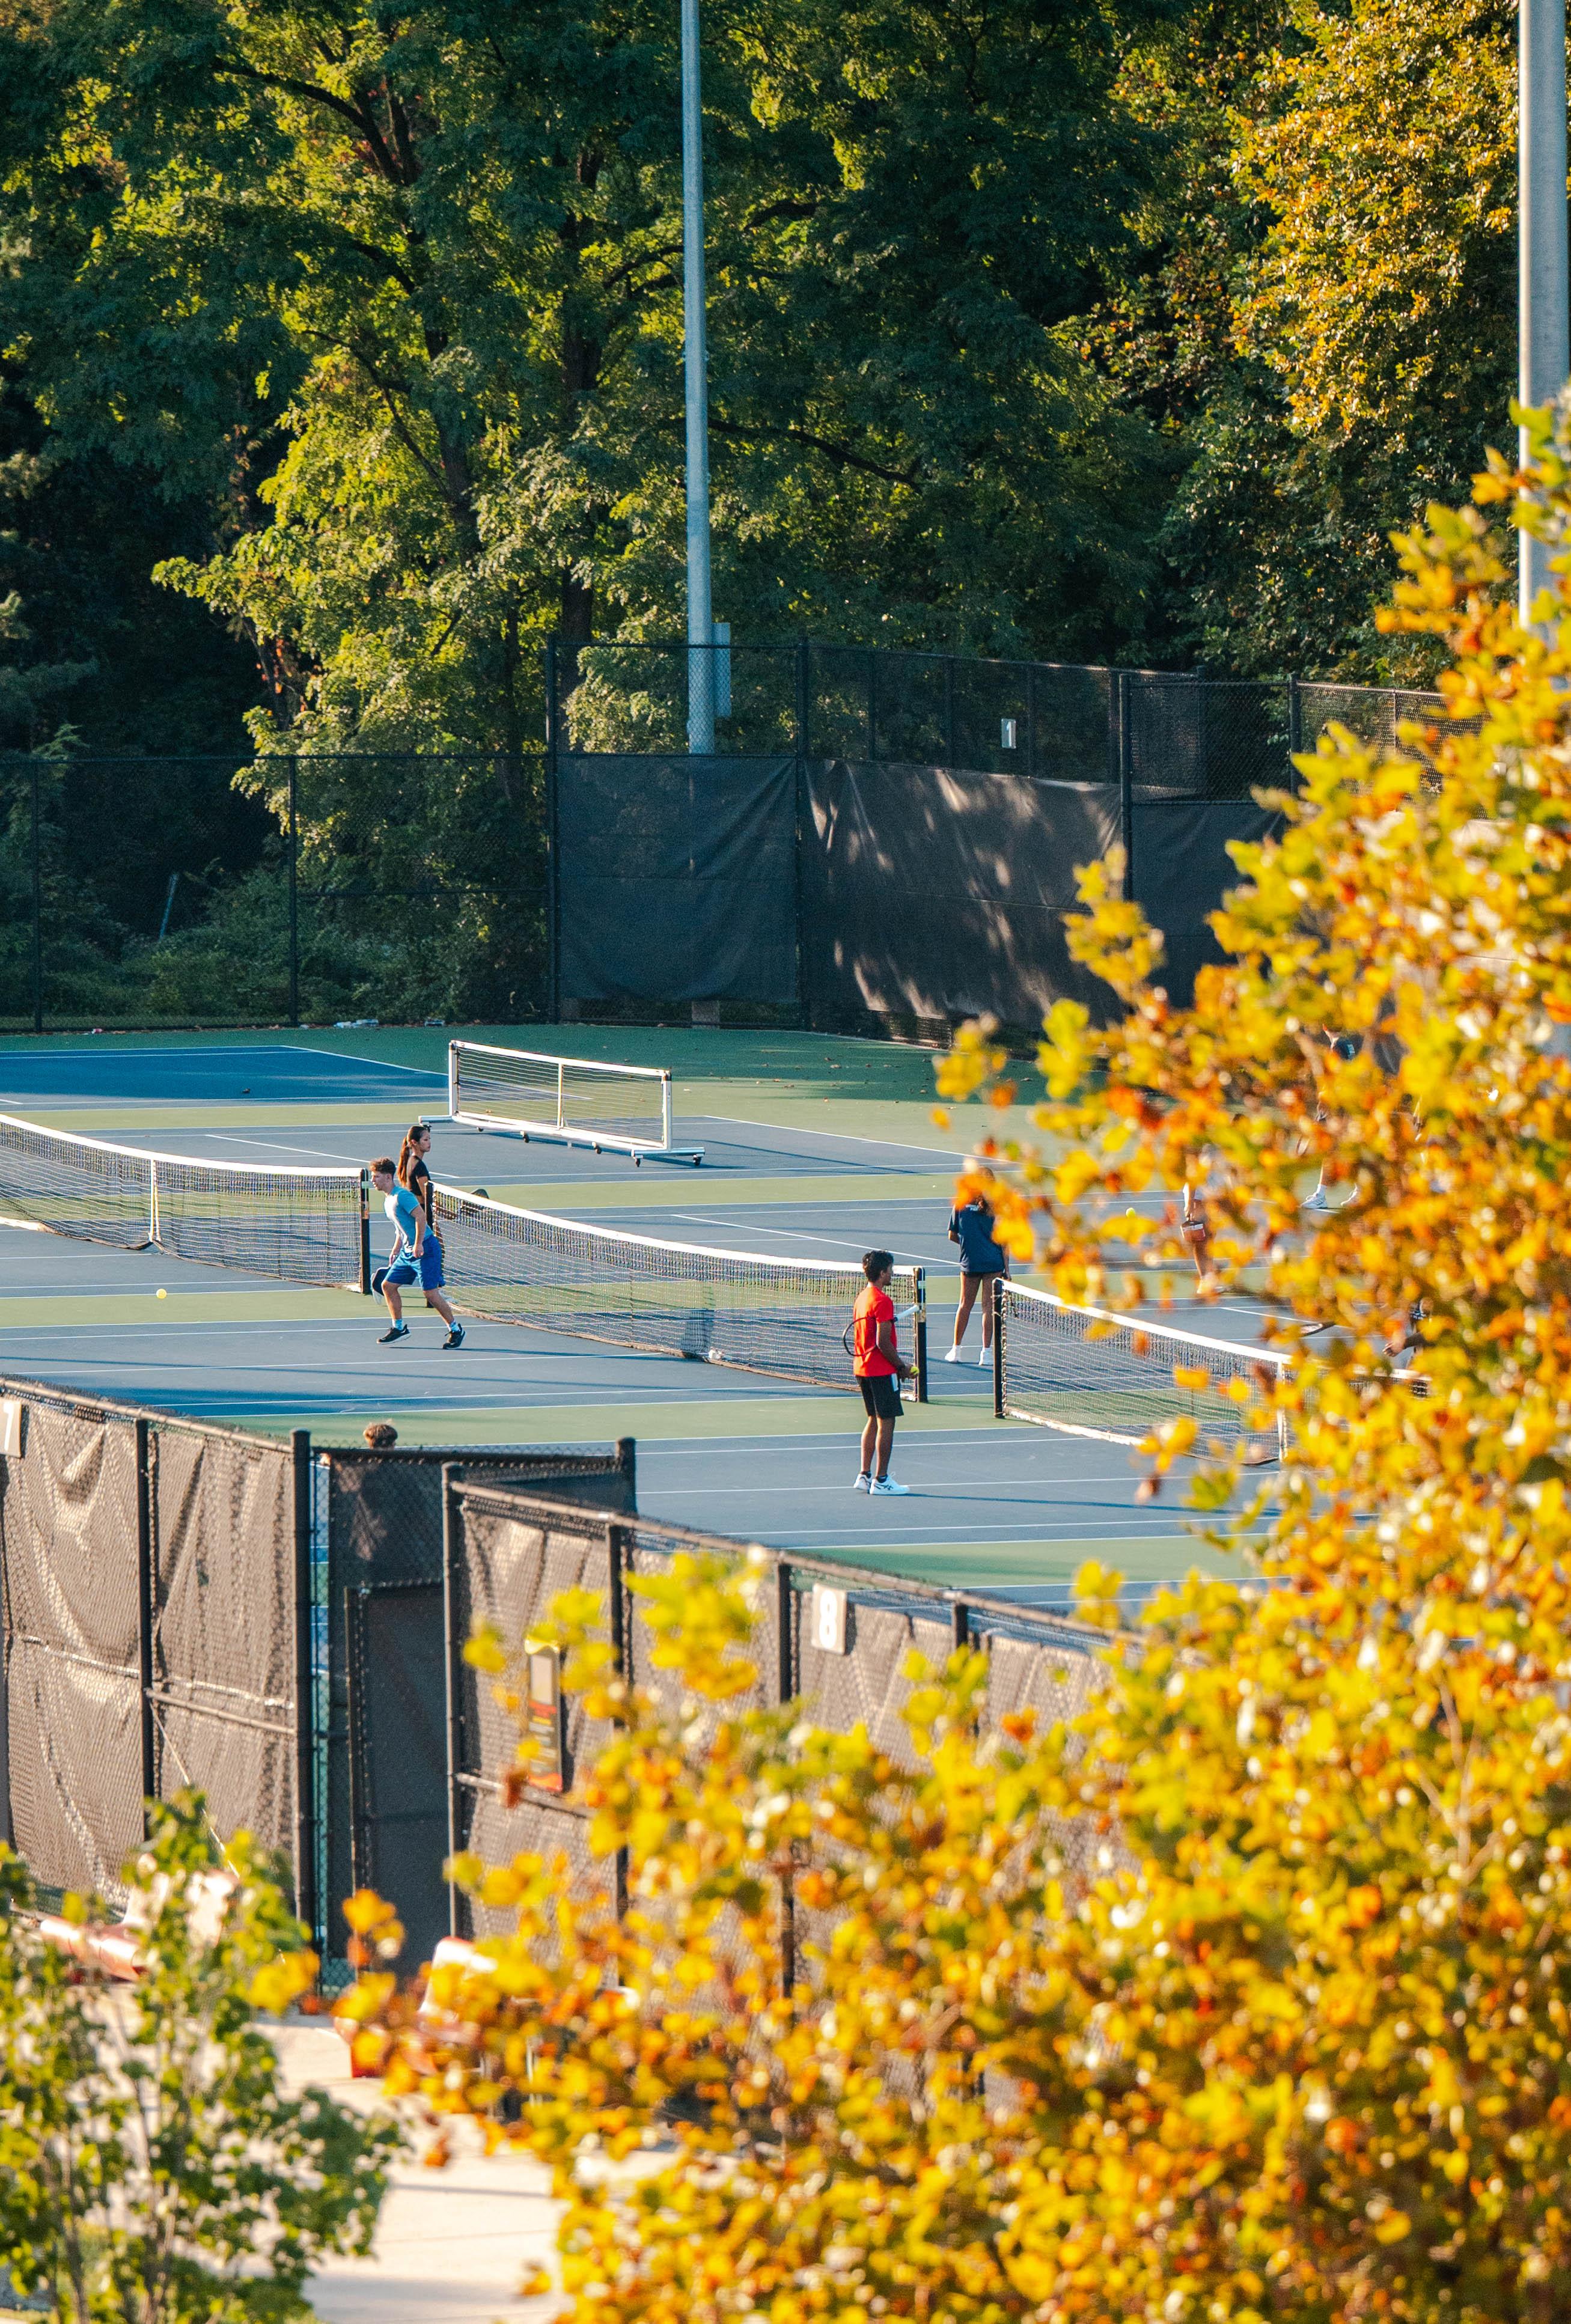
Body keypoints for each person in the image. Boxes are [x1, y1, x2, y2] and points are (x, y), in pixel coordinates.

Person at [368, 1156, 464, 1348]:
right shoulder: (388, 1201)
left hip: (426, 1248)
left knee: (430, 1294)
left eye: (376, 1177)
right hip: (407, 1251)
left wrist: (419, 1244)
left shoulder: (402, 1196)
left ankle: (455, 1330)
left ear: (388, 1177)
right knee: (388, 1286)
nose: (373, 1180)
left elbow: (421, 1218)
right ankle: (399, 1328)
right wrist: (396, 1249)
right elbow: (401, 1228)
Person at [852, 1249, 912, 1496]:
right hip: (880, 1370)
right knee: (887, 1422)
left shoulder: (862, 1298)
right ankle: (882, 1479)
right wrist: (901, 1367)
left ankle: (864, 1476)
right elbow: (883, 1342)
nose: (893, 1273)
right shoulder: (883, 1301)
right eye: (891, 1270)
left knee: (872, 1420)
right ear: (882, 1272)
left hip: (862, 1369)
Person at [944, 1193, 1010, 1364]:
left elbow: (952, 1235)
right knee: (988, 1308)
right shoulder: (998, 1206)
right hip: (993, 1263)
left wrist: (971, 1245)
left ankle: (956, 1351)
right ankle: (986, 1354)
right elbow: (1004, 1242)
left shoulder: (960, 1204)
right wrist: (1007, 1270)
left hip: (970, 1262)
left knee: (964, 1305)